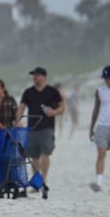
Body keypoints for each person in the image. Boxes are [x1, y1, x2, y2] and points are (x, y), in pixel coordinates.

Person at [17, 66, 65, 198]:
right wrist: (18, 121)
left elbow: (62, 106)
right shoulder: (28, 92)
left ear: (44, 76)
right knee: (34, 156)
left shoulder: (52, 91)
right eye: (33, 75)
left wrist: (54, 112)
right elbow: (21, 107)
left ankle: (43, 180)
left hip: (47, 127)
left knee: (45, 153)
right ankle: (37, 182)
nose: (35, 77)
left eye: (37, 75)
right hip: (32, 128)